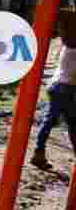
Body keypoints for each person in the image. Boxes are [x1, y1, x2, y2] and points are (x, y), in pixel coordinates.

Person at [31, 36, 76, 170]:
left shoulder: (68, 46)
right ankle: (38, 153)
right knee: (71, 123)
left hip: (56, 85)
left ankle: (38, 153)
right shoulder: (73, 48)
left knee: (51, 120)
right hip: (65, 87)